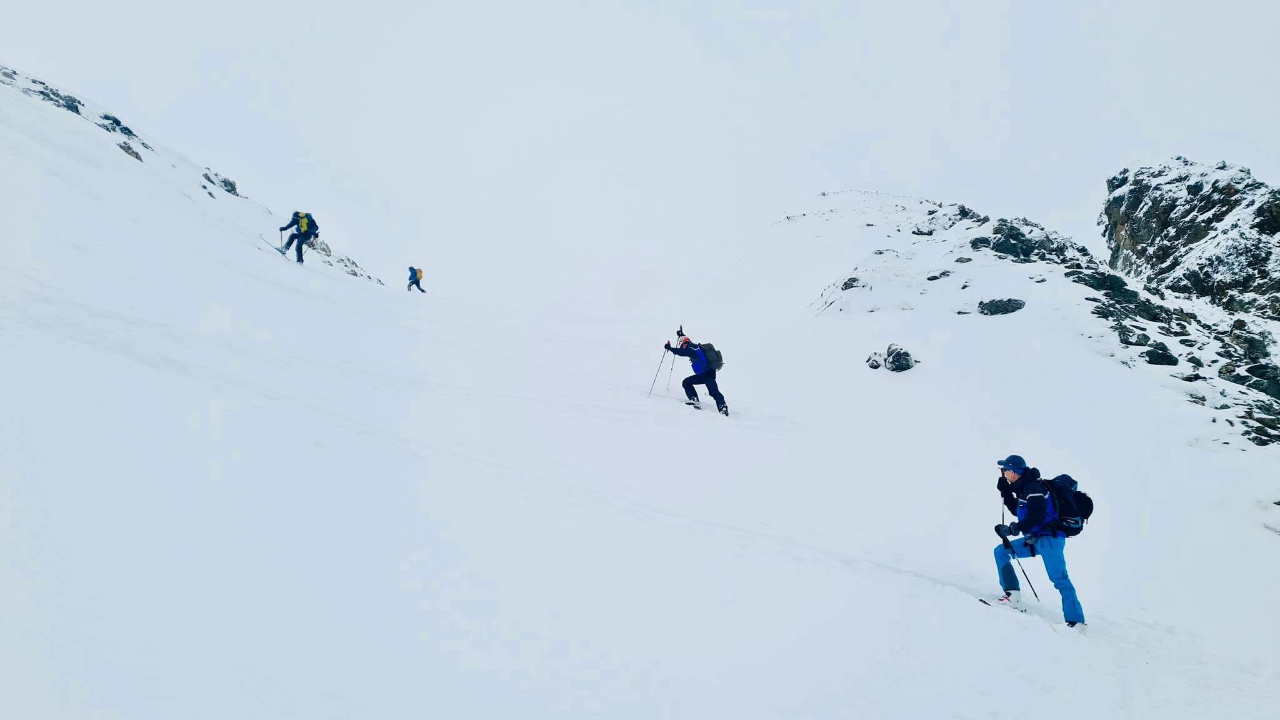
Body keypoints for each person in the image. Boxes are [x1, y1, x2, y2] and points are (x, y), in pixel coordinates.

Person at [993, 454, 1086, 628]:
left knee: (1060, 580)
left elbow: (1036, 515)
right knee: (1001, 551)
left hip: (1050, 540)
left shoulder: (1034, 488)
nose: (1003, 473)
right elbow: (1019, 511)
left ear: (1014, 472)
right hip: (1036, 539)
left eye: (1005, 470)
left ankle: (1076, 622)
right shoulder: (1025, 488)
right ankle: (1013, 596)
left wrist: (1014, 529)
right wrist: (1006, 493)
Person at [664, 330, 728, 416]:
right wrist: (681, 335)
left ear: (684, 344)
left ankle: (696, 402)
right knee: (711, 391)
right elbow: (686, 342)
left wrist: (670, 348)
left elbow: (681, 352)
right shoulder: (695, 346)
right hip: (708, 373)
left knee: (688, 383)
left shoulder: (691, 348)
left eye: (681, 345)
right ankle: (721, 407)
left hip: (706, 373)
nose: (682, 347)